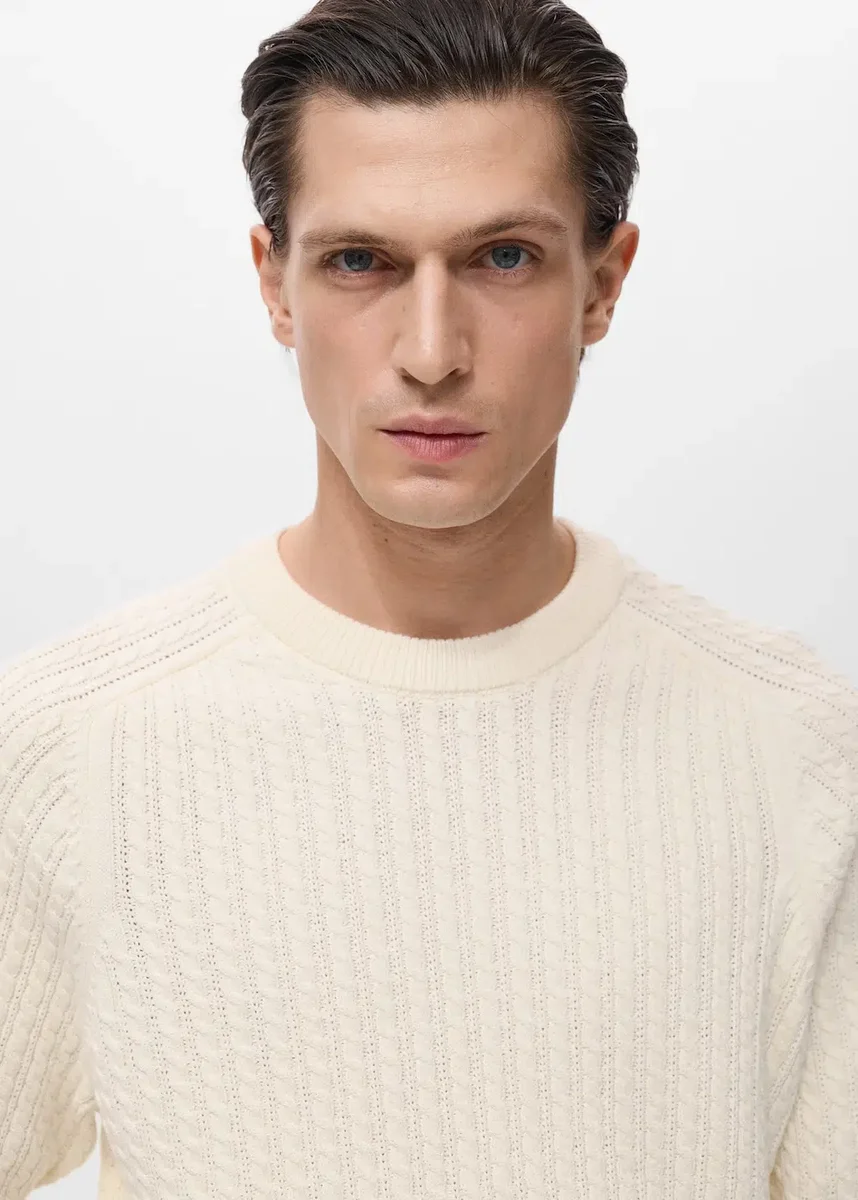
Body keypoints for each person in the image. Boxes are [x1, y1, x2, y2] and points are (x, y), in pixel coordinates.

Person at [1, 0, 856, 1195]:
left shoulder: (795, 751)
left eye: (503, 257)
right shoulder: (72, 751)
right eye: (362, 262)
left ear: (603, 284)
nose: (432, 351)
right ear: (276, 284)